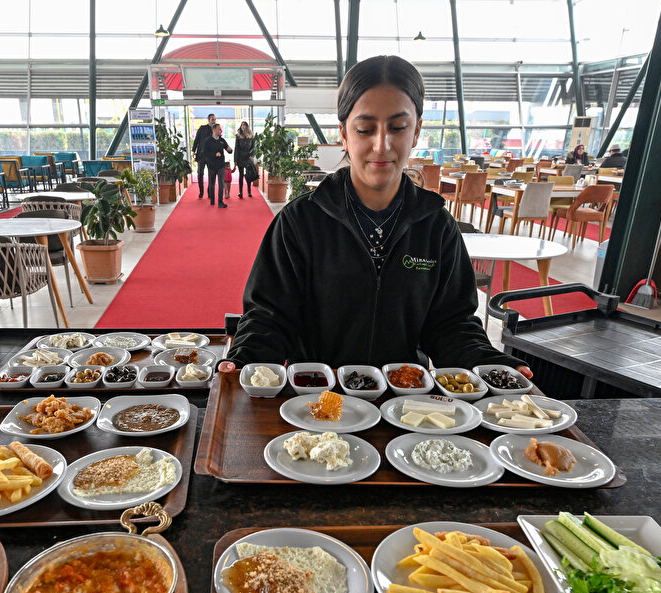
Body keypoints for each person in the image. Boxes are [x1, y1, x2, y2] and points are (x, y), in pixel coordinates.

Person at [222, 55, 531, 378]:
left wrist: (487, 362)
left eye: (398, 127)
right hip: (314, 403)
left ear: (416, 131)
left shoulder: (436, 226)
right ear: (343, 133)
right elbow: (269, 318)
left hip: (403, 405)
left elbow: (451, 325)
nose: (381, 145)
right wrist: (245, 359)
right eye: (365, 129)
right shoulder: (300, 222)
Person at [203, 123, 232, 208]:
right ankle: (212, 200)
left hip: (221, 166)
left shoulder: (222, 140)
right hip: (211, 166)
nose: (221, 131)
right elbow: (204, 154)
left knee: (221, 184)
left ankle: (220, 202)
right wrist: (214, 154)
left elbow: (229, 150)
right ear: (214, 130)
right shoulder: (207, 141)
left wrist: (229, 150)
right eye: (219, 129)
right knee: (212, 184)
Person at [193, 113, 216, 198]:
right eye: (212, 119)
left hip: (211, 156)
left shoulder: (216, 129)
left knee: (211, 174)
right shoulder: (202, 128)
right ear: (209, 120)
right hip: (201, 155)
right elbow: (196, 140)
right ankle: (201, 192)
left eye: (215, 119)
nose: (214, 121)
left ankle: (209, 191)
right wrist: (193, 150)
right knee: (200, 174)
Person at [234, 121, 255, 199]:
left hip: (248, 158)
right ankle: (241, 192)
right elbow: (236, 148)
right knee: (241, 175)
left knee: (248, 175)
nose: (243, 126)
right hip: (240, 157)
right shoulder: (238, 136)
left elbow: (253, 147)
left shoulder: (251, 136)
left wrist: (252, 155)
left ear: (247, 126)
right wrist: (235, 160)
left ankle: (249, 191)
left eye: (244, 125)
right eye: (242, 125)